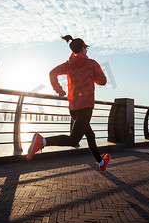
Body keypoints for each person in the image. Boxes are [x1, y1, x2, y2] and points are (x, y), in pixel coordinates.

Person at [27, 35, 110, 172]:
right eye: (86, 48)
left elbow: (52, 73)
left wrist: (59, 90)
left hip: (73, 108)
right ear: (83, 48)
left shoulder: (68, 65)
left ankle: (101, 163)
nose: (86, 51)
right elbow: (103, 81)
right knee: (73, 140)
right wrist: (93, 76)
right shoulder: (92, 64)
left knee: (90, 135)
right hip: (86, 107)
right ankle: (42, 141)